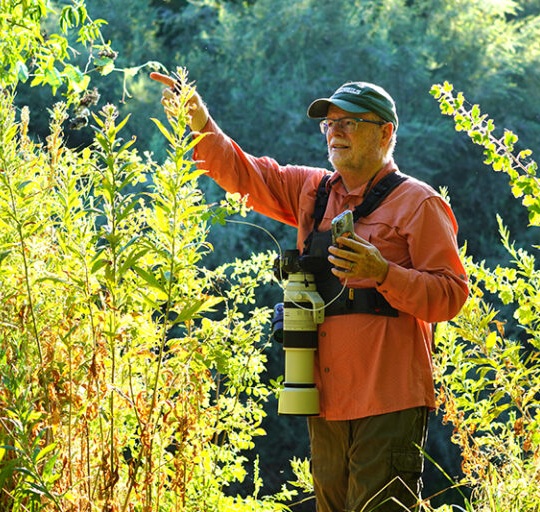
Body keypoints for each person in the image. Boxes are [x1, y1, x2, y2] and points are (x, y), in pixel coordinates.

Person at [151, 72, 469, 511]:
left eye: (349, 123)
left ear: (385, 132)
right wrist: (198, 117)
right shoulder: (311, 190)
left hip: (389, 399)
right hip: (325, 401)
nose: (335, 132)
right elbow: (241, 173)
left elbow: (451, 295)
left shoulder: (419, 203)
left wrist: (383, 273)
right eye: (329, 124)